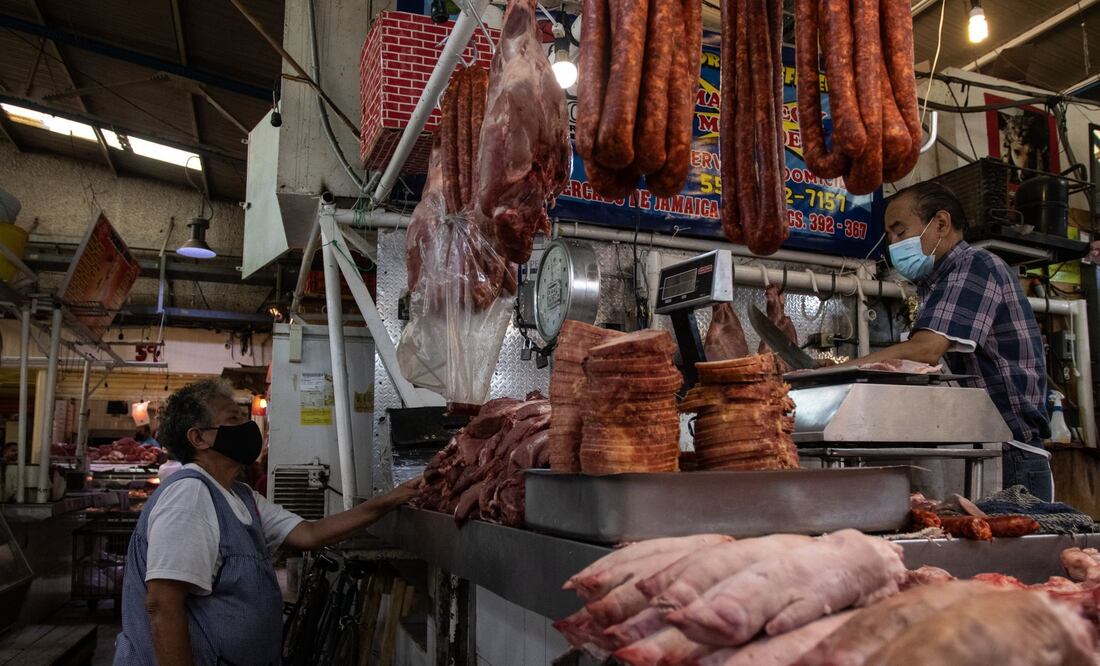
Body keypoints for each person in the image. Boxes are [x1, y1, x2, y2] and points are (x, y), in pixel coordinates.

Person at [114, 379, 419, 665]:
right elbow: (162, 606)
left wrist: (393, 498)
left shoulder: (240, 495)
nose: (247, 427)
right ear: (199, 437)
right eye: (233, 419)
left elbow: (310, 533)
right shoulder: (190, 494)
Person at [843, 181, 1053, 500]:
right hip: (988, 448)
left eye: (900, 232)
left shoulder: (975, 266)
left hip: (1012, 456)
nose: (893, 244)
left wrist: (841, 372)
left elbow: (925, 350)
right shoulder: (936, 284)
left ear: (941, 223)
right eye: (889, 236)